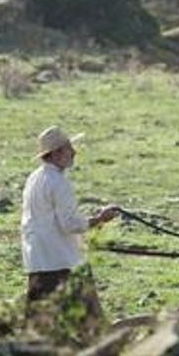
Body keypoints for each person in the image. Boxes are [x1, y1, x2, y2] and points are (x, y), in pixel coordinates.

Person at [21, 126, 120, 302]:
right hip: (61, 262)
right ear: (56, 153)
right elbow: (68, 224)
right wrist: (99, 219)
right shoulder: (59, 183)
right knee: (88, 324)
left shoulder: (34, 178)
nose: (74, 152)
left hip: (37, 261)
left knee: (38, 325)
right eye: (69, 148)